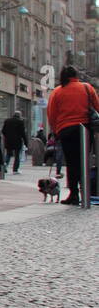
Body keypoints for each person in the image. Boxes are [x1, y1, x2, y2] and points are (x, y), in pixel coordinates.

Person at [46, 65, 99, 205]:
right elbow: (98, 106)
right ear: (76, 75)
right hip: (85, 130)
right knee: (84, 161)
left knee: (71, 163)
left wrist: (55, 131)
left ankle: (74, 194)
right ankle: (86, 192)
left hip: (66, 131)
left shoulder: (57, 91)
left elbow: (51, 114)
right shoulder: (87, 88)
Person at [1, 111, 26, 175]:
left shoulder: (7, 121)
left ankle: (4, 167)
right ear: (19, 115)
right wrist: (26, 142)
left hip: (8, 141)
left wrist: (7, 136)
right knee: (17, 156)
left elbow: (3, 131)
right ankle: (15, 170)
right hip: (17, 141)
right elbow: (23, 133)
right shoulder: (20, 122)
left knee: (8, 154)